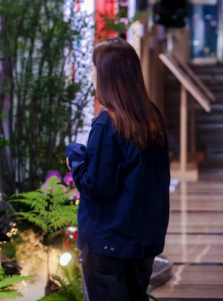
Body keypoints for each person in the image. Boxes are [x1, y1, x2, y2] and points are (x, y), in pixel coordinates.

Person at [65, 37, 170, 301]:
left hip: (108, 244)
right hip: (143, 240)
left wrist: (74, 157)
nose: (92, 74)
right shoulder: (152, 117)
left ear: (106, 75)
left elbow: (96, 185)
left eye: (93, 67)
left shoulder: (108, 122)